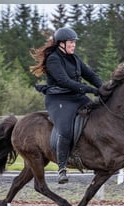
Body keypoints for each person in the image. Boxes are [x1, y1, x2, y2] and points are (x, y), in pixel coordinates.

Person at [30, 27, 103, 184]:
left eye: (74, 42)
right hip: (59, 99)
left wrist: (103, 88)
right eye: (71, 42)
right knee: (65, 129)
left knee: (97, 116)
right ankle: (62, 168)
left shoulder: (74, 58)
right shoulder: (54, 59)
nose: (73, 45)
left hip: (76, 96)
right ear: (61, 44)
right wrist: (91, 90)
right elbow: (65, 82)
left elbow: (90, 74)